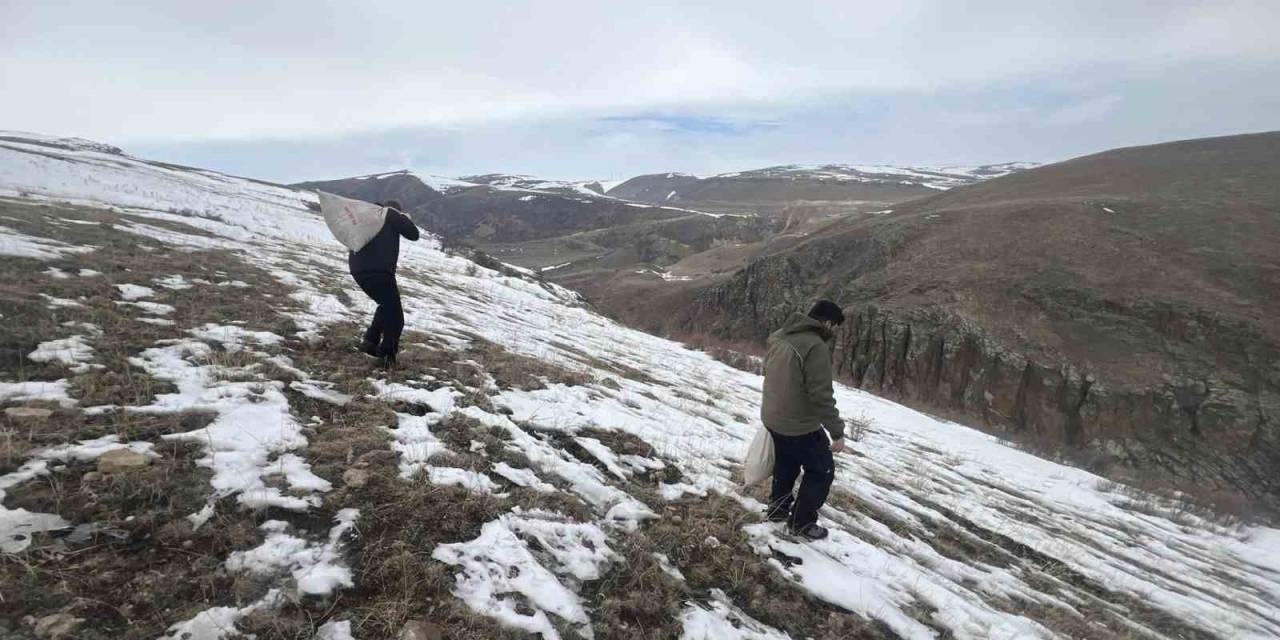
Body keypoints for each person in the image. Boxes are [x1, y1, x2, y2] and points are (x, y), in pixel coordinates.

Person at [760, 299, 846, 540]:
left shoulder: (779, 335)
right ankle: (801, 523)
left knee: (786, 463)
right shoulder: (815, 346)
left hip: (772, 416)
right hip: (797, 424)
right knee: (821, 470)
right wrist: (837, 432)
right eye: (835, 326)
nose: (834, 332)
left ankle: (777, 510)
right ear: (827, 322)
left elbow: (767, 369)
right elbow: (821, 395)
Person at [349, 199, 419, 368]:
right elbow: (413, 234)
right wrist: (402, 217)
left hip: (358, 270)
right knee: (396, 318)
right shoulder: (389, 213)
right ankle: (386, 357)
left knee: (385, 306)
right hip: (379, 271)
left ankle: (369, 343)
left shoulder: (367, 218)